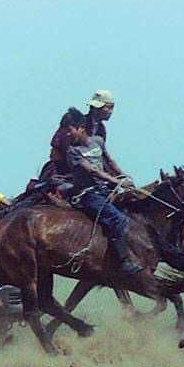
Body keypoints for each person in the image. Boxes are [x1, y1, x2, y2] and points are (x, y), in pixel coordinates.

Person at [62, 108, 145, 274]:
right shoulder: (73, 152)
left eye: (69, 130)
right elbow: (93, 170)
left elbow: (109, 161)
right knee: (118, 220)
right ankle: (123, 262)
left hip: (106, 190)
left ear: (81, 128)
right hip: (88, 194)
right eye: (66, 131)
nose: (67, 135)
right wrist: (115, 181)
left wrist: (123, 175)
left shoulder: (98, 141)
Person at [39, 89, 120, 184]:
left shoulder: (101, 130)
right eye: (107, 108)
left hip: (92, 169)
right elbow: (55, 148)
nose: (110, 111)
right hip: (66, 168)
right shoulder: (76, 124)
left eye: (111, 108)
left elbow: (101, 157)